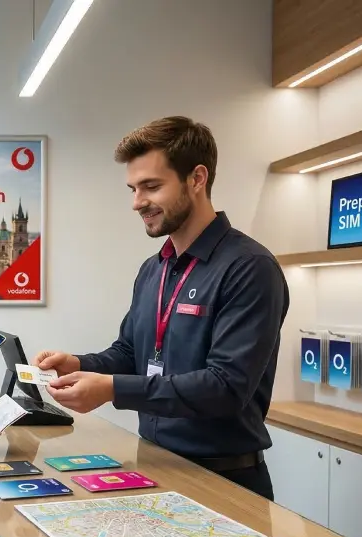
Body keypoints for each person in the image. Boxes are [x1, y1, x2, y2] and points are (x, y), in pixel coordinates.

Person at [35, 116, 289, 501]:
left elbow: (225, 386)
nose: (137, 202)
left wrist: (111, 389)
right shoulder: (154, 268)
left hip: (224, 479)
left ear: (197, 178)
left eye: (151, 186)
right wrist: (78, 364)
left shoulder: (249, 267)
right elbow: (130, 352)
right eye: (133, 189)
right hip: (153, 465)